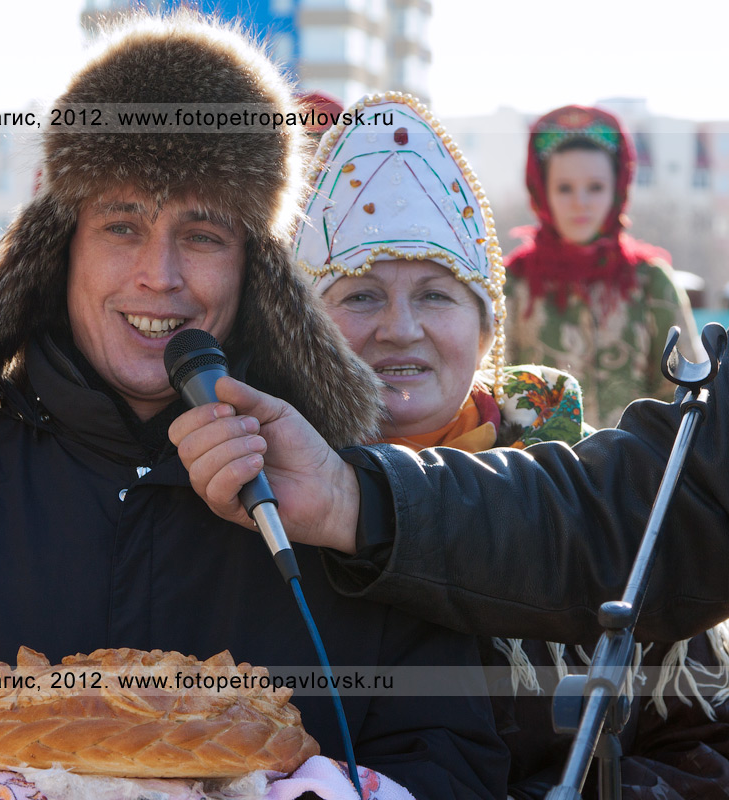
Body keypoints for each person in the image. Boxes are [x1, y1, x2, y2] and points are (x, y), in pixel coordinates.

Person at [0, 16, 508, 800]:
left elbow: (455, 764)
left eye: (203, 233)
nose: (157, 274)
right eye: (122, 225)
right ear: (58, 246)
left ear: (258, 272)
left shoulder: (347, 511)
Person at [294, 94, 729, 799]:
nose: (400, 328)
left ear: (488, 333)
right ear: (308, 330)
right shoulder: (266, 509)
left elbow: (707, 743)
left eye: (436, 296)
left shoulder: (613, 513)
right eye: (362, 296)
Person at [503, 105, 698, 428]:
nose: (581, 202)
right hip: (538, 472)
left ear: (617, 189)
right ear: (542, 191)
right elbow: (493, 389)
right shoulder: (514, 283)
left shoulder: (651, 280)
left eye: (595, 187)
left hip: (640, 470)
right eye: (564, 188)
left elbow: (685, 391)